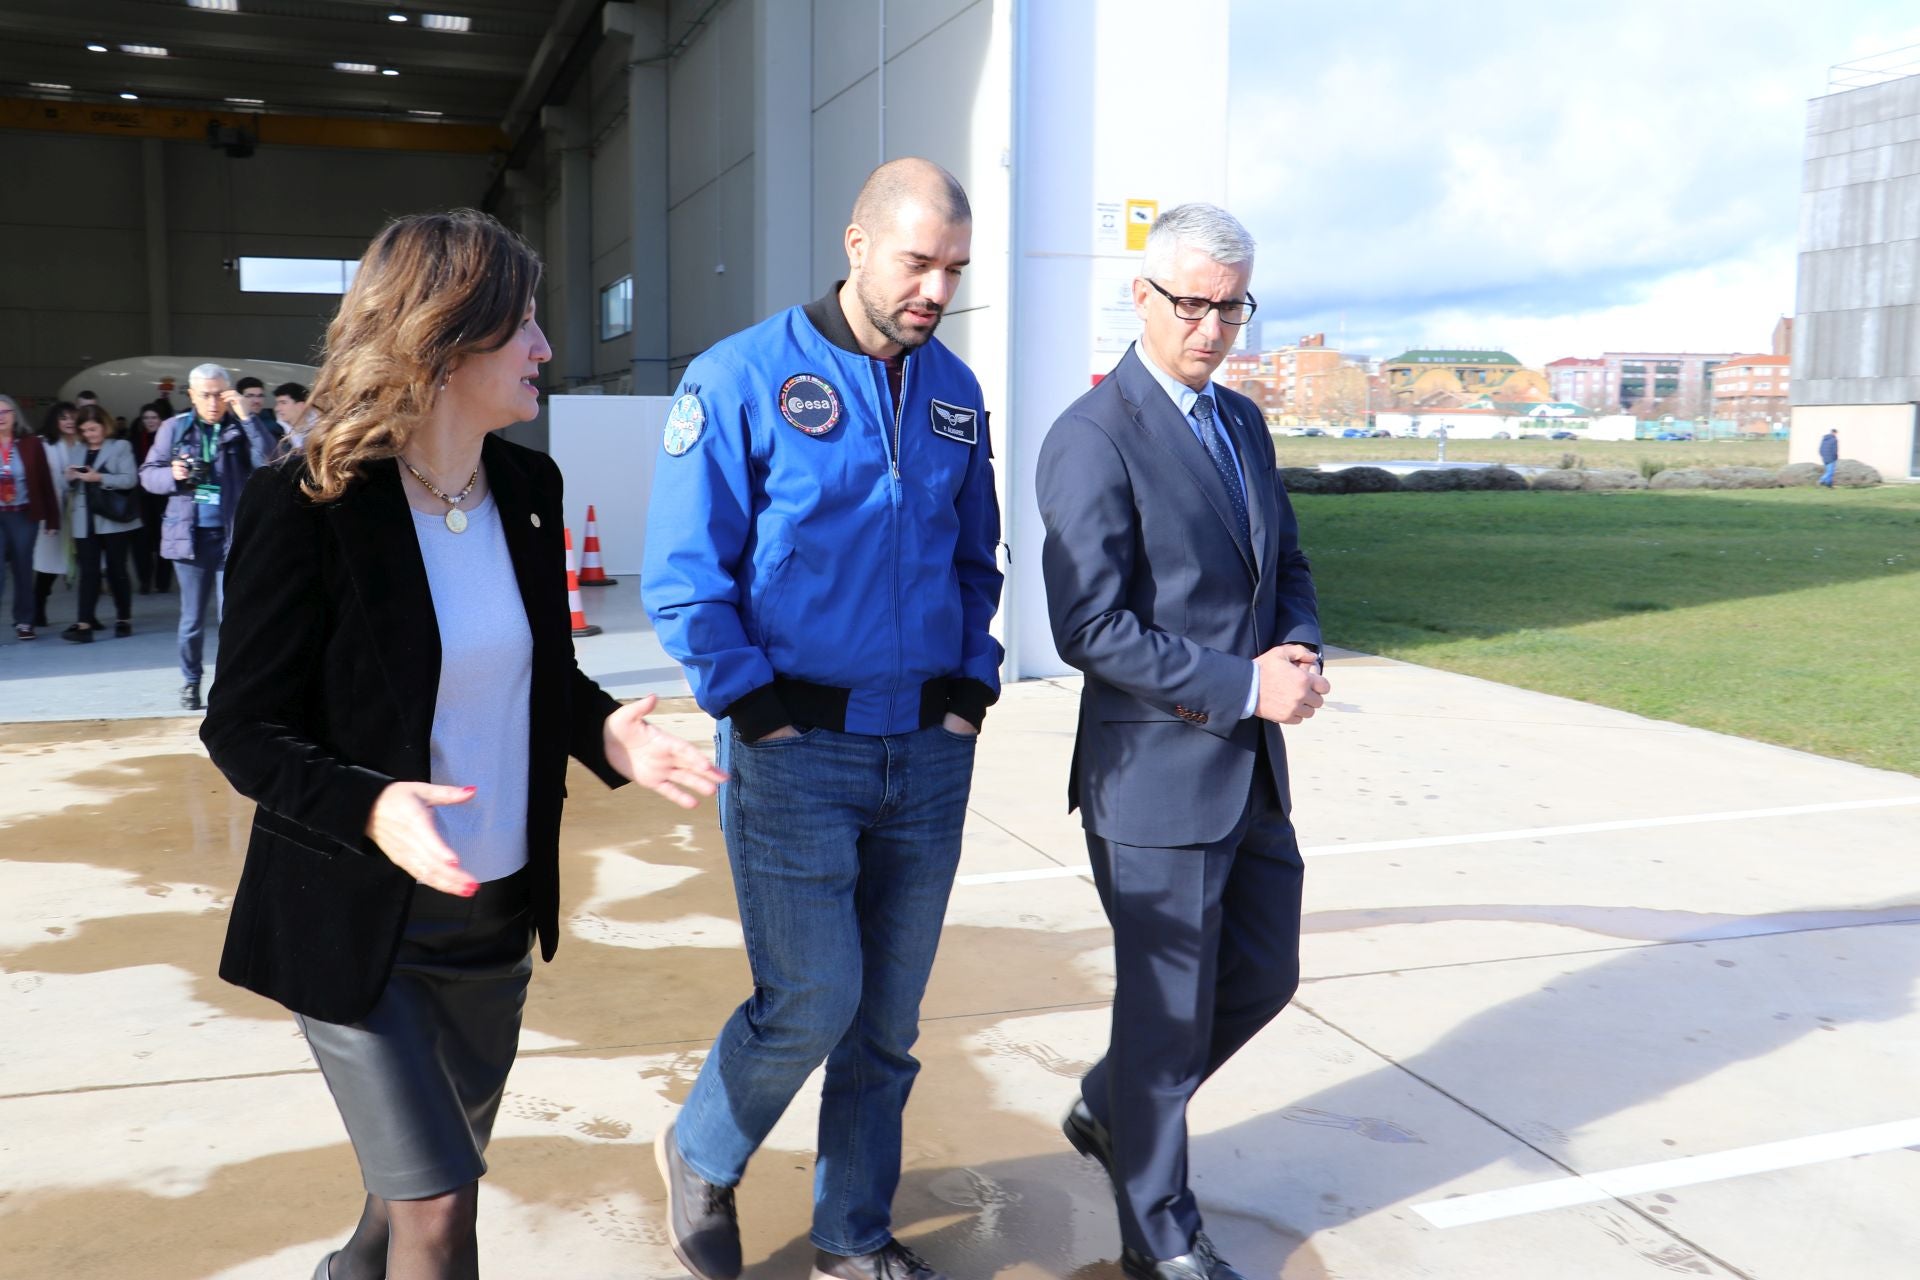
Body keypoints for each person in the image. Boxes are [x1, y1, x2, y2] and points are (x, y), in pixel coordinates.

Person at [199, 208, 727, 1280]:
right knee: (440, 1206)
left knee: (417, 1189)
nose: (543, 349)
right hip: (359, 923)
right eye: (522, 325)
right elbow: (241, 724)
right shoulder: (308, 504)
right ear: (443, 341)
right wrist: (370, 801)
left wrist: (607, 735)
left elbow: (549, 678)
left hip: (490, 919)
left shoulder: (528, 493)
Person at [643, 157, 1002, 1280]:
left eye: (954, 268)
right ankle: (702, 1149)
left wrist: (970, 688)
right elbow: (686, 573)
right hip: (796, 752)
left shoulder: (955, 390)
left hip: (927, 755)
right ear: (857, 245)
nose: (935, 289)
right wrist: (754, 707)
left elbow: (974, 558)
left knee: (886, 1021)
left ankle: (852, 1230)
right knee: (810, 999)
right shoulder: (742, 375)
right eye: (917, 262)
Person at [1035, 203, 1330, 1280]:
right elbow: (1091, 627)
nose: (1210, 327)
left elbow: (1282, 559)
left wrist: (1293, 643)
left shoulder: (1242, 423)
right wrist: (1241, 685)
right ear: (1143, 296)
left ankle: (1114, 1103)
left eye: (1230, 307)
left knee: (1264, 969)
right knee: (1163, 1019)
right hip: (1152, 777)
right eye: (1191, 303)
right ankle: (1159, 1230)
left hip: (1250, 768)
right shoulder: (1091, 433)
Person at [140, 364, 261, 710]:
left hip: (231, 538)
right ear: (192, 395)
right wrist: (173, 475)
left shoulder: (240, 426)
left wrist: (248, 419)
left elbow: (271, 459)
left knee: (232, 619)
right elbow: (148, 475)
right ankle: (191, 681)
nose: (213, 402)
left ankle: (230, 686)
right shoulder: (173, 428)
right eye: (205, 395)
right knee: (192, 620)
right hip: (188, 538)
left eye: (220, 395)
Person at [60, 405, 141, 641]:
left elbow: (129, 480)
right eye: (84, 430)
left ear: (105, 425)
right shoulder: (77, 449)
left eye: (93, 429)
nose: (89, 435)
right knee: (89, 573)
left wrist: (98, 477)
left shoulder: (120, 446)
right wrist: (69, 478)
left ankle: (123, 619)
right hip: (83, 519)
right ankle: (84, 624)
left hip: (113, 518)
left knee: (118, 571)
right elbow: (68, 486)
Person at [0, 393, 61, 640]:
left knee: (23, 568)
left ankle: (25, 620)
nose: (0, 418)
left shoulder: (30, 443)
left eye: (5, 412)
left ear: (15, 415)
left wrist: (52, 519)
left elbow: (45, 482)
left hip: (23, 515)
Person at [32, 400, 84, 628]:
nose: (69, 422)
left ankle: (87, 616)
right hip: (53, 511)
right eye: (64, 418)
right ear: (55, 421)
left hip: (82, 511)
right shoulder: (44, 444)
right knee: (49, 565)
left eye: (73, 417)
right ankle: (37, 608)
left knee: (88, 564)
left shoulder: (87, 441)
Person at [128, 403, 174, 594]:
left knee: (164, 538)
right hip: (141, 497)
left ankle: (162, 582)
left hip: (164, 496)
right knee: (142, 541)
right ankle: (145, 580)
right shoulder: (134, 440)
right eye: (146, 418)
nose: (150, 421)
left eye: (154, 417)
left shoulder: (170, 440)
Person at [232, 375, 287, 465]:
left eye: (260, 396)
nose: (257, 401)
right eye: (250, 396)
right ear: (239, 399)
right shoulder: (230, 426)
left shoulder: (275, 426)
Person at [275, 380, 317, 451]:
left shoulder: (321, 424)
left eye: (283, 403)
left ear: (301, 406)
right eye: (278, 403)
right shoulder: (277, 429)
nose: (277, 408)